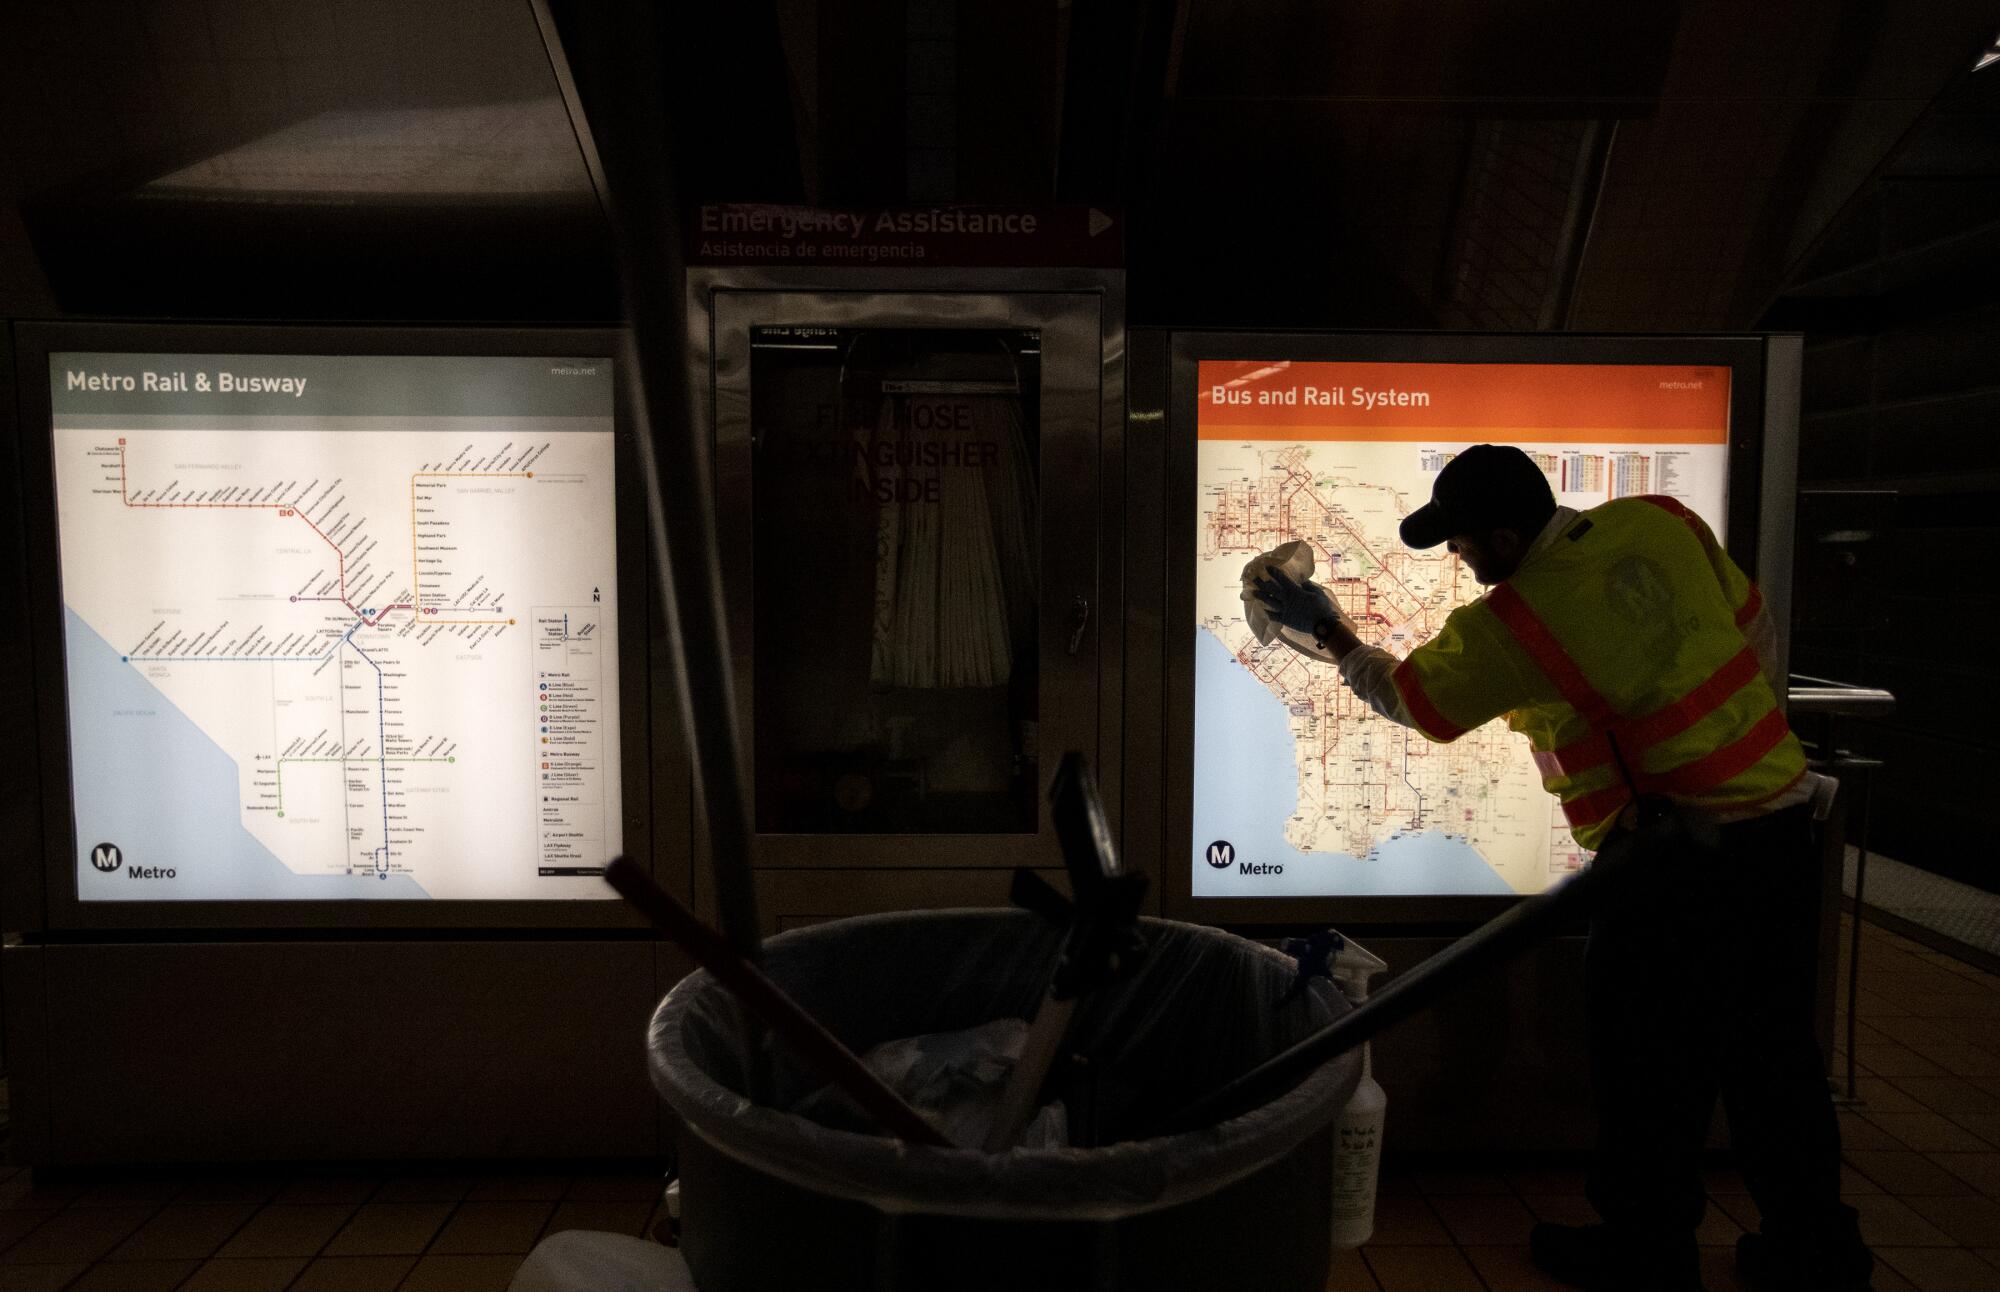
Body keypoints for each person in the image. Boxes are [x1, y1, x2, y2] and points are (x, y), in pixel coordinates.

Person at [1252, 444, 1871, 1292]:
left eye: (1463, 549)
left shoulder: (1521, 620)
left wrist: (1327, 629)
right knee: (1775, 1057)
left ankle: (1646, 1253)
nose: (1460, 567)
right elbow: (1752, 624)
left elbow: (1417, 702)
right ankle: (1817, 1256)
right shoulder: (1660, 522)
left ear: (1506, 539)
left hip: (1671, 861)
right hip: (1780, 825)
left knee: (1648, 1064)